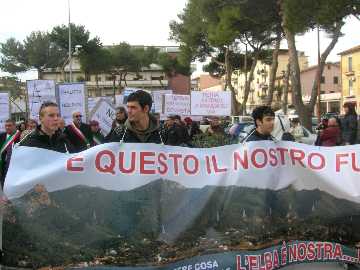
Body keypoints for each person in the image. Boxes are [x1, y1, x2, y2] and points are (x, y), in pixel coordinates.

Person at [0, 119, 21, 188]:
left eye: (9, 126)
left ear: (15, 126)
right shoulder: (1, 136)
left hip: (16, 167)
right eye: (6, 126)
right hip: (3, 166)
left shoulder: (20, 136)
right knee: (4, 185)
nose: (7, 127)